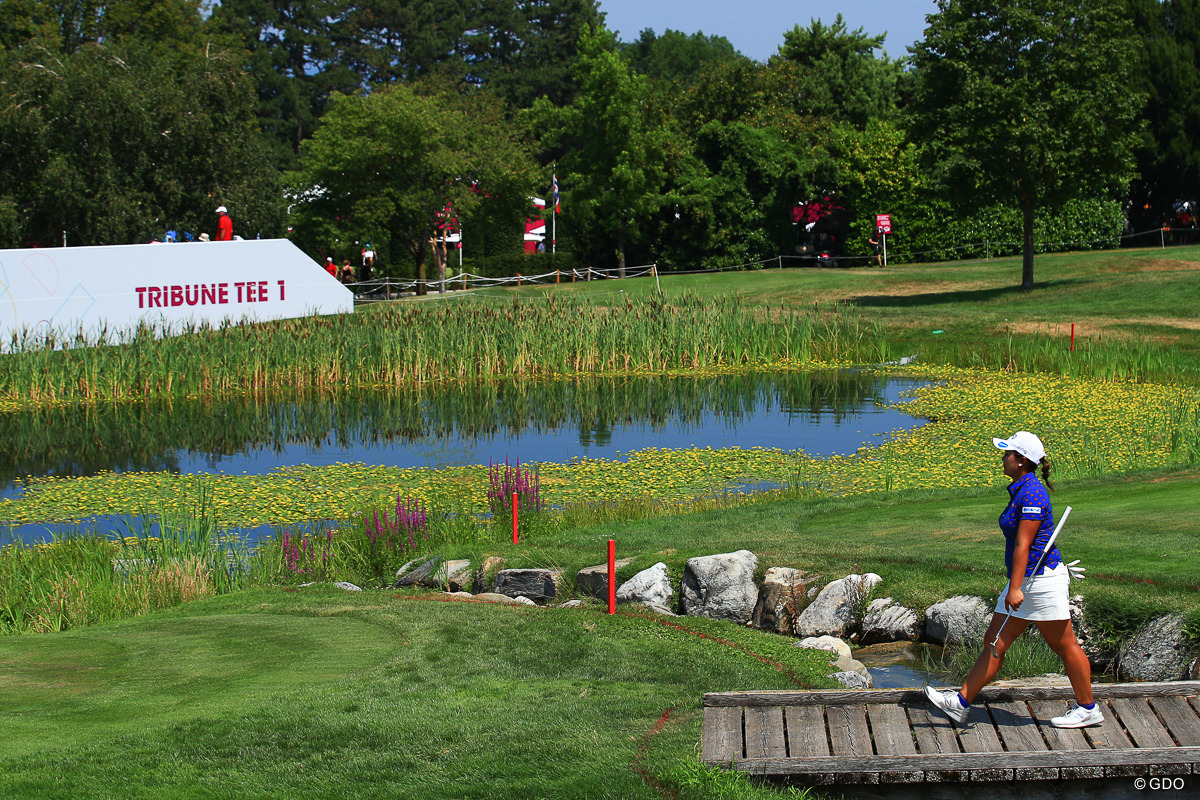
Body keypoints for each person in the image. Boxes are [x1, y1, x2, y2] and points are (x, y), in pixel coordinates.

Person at [924, 431, 1101, 729]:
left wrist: (1015, 587)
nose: (1002, 457)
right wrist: (1016, 584)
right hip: (1027, 580)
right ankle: (961, 703)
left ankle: (1088, 708)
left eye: (1007, 453)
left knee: (1064, 645)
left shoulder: (1032, 494)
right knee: (994, 641)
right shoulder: (1022, 488)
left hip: (1040, 582)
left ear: (1021, 461)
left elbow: (1023, 544)